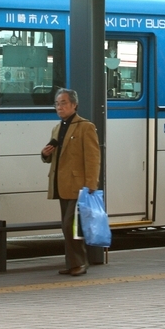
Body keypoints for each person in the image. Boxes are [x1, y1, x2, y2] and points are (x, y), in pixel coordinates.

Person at [41, 88, 101, 276]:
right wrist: (45, 154)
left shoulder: (85, 127)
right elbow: (55, 156)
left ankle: (80, 263)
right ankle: (72, 263)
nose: (59, 107)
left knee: (70, 225)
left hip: (79, 186)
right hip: (61, 184)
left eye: (64, 103)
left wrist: (91, 184)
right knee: (67, 226)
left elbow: (93, 158)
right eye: (57, 104)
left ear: (74, 105)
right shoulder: (57, 128)